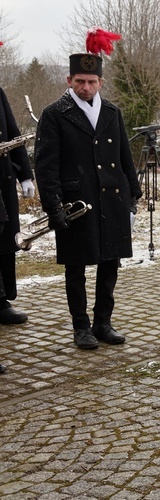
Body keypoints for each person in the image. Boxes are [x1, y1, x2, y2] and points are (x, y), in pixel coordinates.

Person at [34, 39, 142, 350]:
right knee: (76, 266)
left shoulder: (111, 111)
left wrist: (133, 196)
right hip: (74, 203)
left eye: (92, 81)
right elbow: (46, 165)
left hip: (112, 197)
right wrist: (53, 206)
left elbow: (124, 157)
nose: (86, 87)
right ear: (69, 80)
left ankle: (103, 323)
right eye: (79, 81)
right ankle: (81, 327)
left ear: (100, 82)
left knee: (110, 263)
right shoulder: (54, 113)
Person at [0, 86, 35, 325]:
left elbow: (12, 133)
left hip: (2, 178)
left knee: (3, 242)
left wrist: (25, 174)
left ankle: (1, 301)